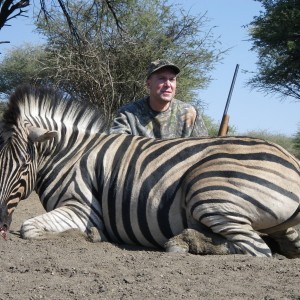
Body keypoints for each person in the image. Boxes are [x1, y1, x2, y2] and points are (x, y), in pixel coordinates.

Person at [109, 59, 208, 138]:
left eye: (172, 79)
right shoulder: (127, 114)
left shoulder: (190, 113)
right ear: (148, 84)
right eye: (162, 79)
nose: (168, 84)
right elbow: (117, 149)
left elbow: (203, 151)